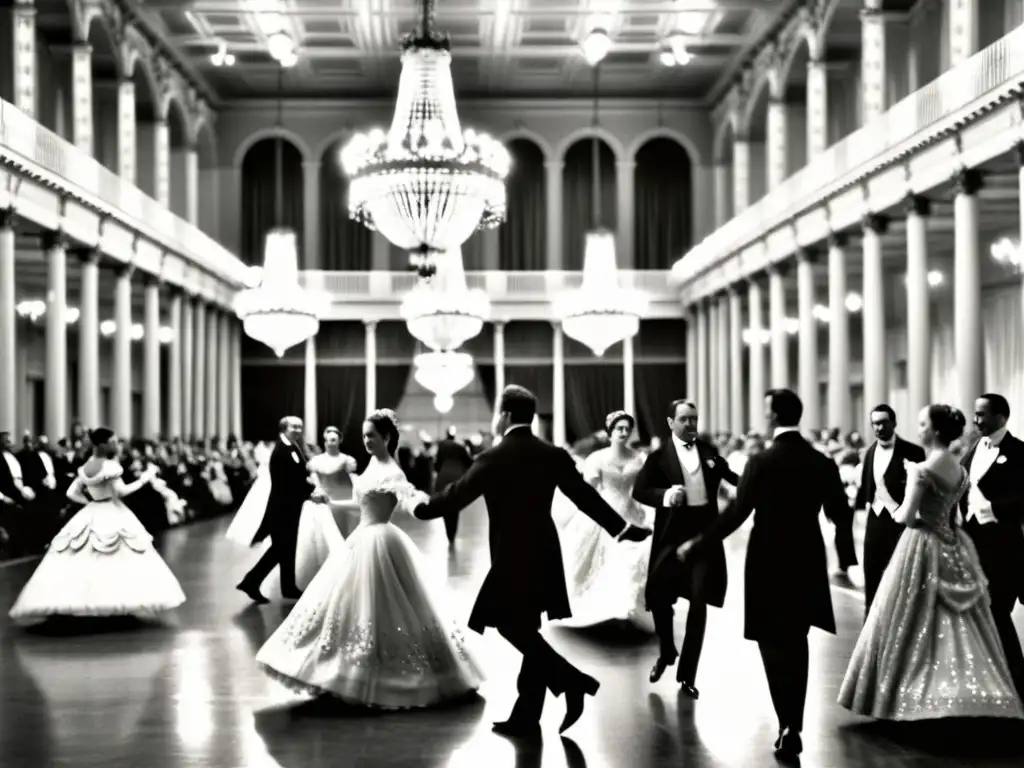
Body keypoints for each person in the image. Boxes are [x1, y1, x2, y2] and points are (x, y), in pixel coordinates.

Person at [412, 385, 652, 739]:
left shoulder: (491, 458)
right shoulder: (551, 454)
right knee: (526, 628)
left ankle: (572, 680)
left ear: (505, 415)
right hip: (543, 552)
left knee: (512, 627)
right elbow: (584, 496)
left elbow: (454, 497)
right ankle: (527, 716)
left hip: (511, 555)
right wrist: (621, 528)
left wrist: (419, 505)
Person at [256, 409, 482, 709]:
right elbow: (361, 503)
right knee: (345, 605)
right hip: (360, 539)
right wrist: (331, 501)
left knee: (380, 606)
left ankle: (382, 675)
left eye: (371, 436)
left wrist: (421, 504)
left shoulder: (394, 472)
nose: (366, 441)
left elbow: (403, 503)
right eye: (363, 436)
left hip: (381, 540)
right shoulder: (370, 464)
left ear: (386, 437)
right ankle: (337, 669)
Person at [677, 389, 849, 758]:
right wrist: (848, 555)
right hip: (805, 558)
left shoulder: (760, 462)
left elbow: (737, 513)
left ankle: (785, 723)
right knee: (798, 638)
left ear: (772, 418)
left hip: (768, 559)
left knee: (772, 641)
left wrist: (698, 543)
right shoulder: (821, 462)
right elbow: (840, 512)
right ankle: (795, 723)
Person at [839, 404, 1024, 720]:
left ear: (935, 430)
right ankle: (965, 691)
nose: (919, 426)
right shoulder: (959, 467)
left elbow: (907, 518)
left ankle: (912, 696)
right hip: (951, 545)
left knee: (910, 620)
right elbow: (954, 512)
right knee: (957, 624)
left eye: (922, 422)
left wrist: (890, 495)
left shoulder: (922, 470)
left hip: (921, 545)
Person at [9, 427, 185, 623]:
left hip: (92, 510)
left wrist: (90, 503)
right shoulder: (110, 466)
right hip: (112, 510)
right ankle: (114, 601)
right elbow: (123, 491)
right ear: (103, 444)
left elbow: (71, 492)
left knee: (81, 556)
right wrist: (146, 477)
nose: (116, 445)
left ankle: (82, 602)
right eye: (113, 441)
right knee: (117, 556)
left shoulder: (85, 467)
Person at [632, 399, 738, 698]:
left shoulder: (709, 453)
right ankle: (667, 650)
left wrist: (757, 485)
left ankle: (687, 675)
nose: (690, 424)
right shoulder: (657, 458)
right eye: (684, 419)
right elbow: (639, 490)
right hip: (671, 537)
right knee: (657, 595)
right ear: (670, 423)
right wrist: (665, 495)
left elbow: (733, 478)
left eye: (694, 419)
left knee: (699, 601)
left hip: (704, 538)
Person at [557, 410, 654, 632]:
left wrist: (648, 511)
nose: (623, 432)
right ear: (610, 431)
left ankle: (626, 608)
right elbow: (588, 492)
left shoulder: (640, 459)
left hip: (631, 511)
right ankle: (604, 607)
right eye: (619, 428)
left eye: (627, 428)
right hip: (603, 512)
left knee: (628, 561)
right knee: (601, 561)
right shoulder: (596, 459)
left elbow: (644, 489)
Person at [960, 393, 1024, 699]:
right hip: (972, 547)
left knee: (997, 611)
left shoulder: (1019, 452)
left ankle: (1018, 681)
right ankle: (994, 683)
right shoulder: (973, 450)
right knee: (981, 615)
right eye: (975, 414)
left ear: (1001, 416)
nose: (976, 420)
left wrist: (991, 510)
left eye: (982, 415)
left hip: (1003, 549)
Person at [236, 416, 326, 604]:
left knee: (286, 547)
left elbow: (299, 475)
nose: (298, 430)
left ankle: (288, 586)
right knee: (280, 549)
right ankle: (251, 581)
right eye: (294, 427)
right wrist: (310, 493)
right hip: (281, 508)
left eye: (300, 427)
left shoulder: (292, 447)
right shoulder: (281, 450)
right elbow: (288, 482)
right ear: (283, 428)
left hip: (290, 506)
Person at [856, 404, 926, 613]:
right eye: (874, 424)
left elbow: (921, 494)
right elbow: (865, 491)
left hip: (901, 525)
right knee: (873, 578)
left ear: (894, 423)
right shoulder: (868, 452)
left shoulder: (913, 451)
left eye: (883, 422)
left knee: (900, 580)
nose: (878, 428)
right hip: (874, 524)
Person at [433, 426, 474, 544]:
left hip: (444, 477)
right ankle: (452, 534)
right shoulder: (460, 446)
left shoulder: (442, 446)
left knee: (445, 504)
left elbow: (437, 465)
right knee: (455, 506)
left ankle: (449, 533)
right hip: (457, 477)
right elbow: (469, 463)